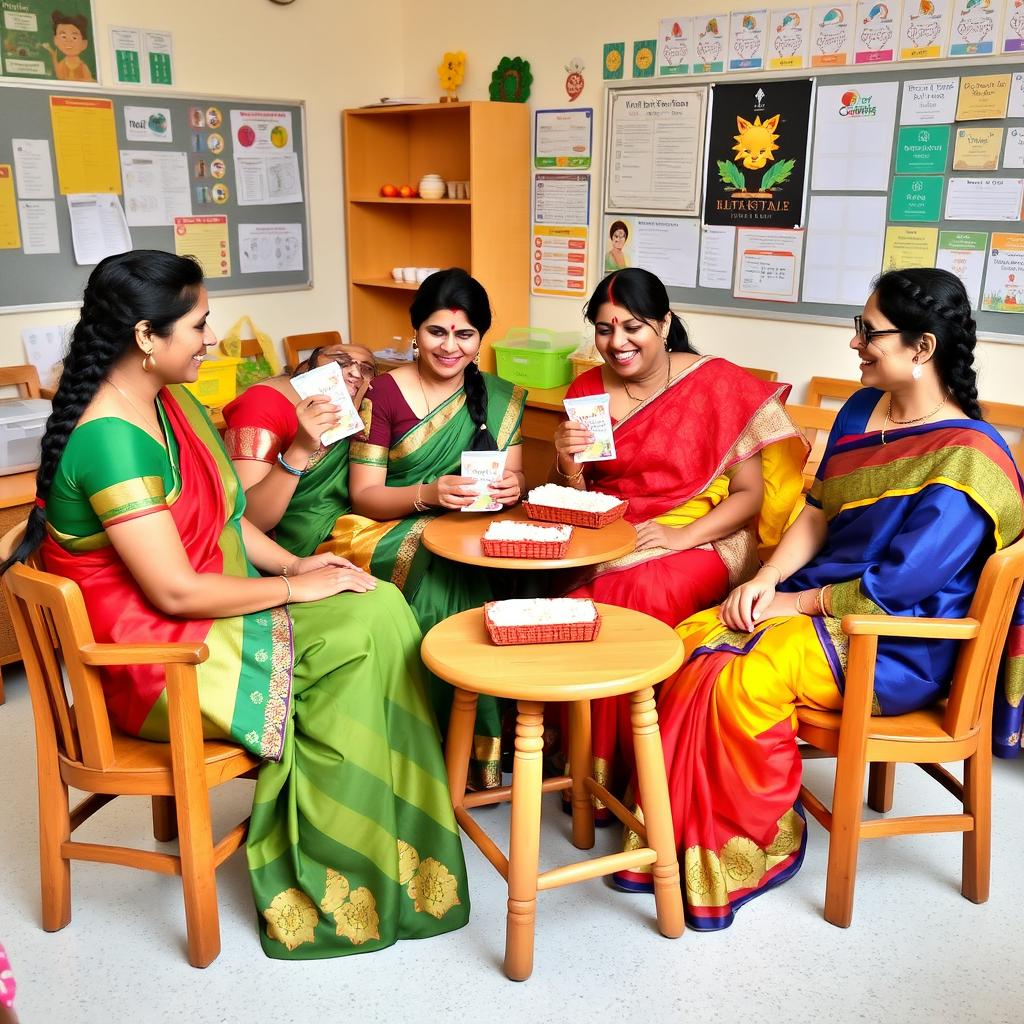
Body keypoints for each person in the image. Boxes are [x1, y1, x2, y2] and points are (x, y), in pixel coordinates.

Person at [1, 251, 469, 959]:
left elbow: (225, 519)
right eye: (199, 324)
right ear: (146, 337)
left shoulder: (169, 401)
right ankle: (337, 887)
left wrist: (298, 561)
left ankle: (395, 849)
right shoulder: (110, 439)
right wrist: (292, 589)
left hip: (203, 618)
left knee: (380, 606)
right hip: (154, 657)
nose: (211, 338)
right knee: (347, 643)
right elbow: (173, 590)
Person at [616, 268, 1024, 929]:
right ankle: (673, 840)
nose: (855, 344)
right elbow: (815, 510)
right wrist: (766, 580)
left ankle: (744, 850)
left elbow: (894, 590)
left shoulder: (966, 460)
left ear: (922, 348)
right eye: (858, 328)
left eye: (870, 332)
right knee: (688, 641)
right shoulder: (865, 409)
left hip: (895, 642)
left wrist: (792, 606)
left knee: (734, 678)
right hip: (820, 602)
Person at [554, 268, 807, 817]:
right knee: (557, 599)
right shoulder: (588, 390)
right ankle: (582, 767)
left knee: (639, 596)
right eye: (604, 328)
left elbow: (748, 496)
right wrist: (569, 463)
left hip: (706, 536)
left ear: (665, 323)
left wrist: (679, 535)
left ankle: (633, 772)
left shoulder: (717, 384)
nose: (617, 342)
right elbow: (587, 491)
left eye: (633, 326)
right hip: (611, 531)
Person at [344, 268, 526, 789]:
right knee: (445, 571)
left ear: (481, 338)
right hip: (387, 528)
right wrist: (429, 495)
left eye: (464, 334)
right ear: (416, 332)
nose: (450, 346)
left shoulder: (502, 396)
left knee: (491, 564)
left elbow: (513, 477)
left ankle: (465, 749)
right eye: (436, 332)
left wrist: (513, 487)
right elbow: (365, 495)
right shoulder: (383, 393)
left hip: (474, 526)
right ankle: (431, 754)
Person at [222, 342, 376, 557]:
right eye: (341, 361)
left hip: (355, 521)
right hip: (289, 545)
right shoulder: (262, 404)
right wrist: (301, 449)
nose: (355, 372)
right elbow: (250, 519)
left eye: (367, 369)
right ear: (307, 364)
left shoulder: (360, 408)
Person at [43, 11, 94, 82]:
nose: (68, 41)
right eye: (63, 36)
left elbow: (89, 81)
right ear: (55, 40)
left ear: (84, 44)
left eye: (74, 38)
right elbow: (59, 76)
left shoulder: (82, 67)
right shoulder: (62, 64)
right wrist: (53, 56)